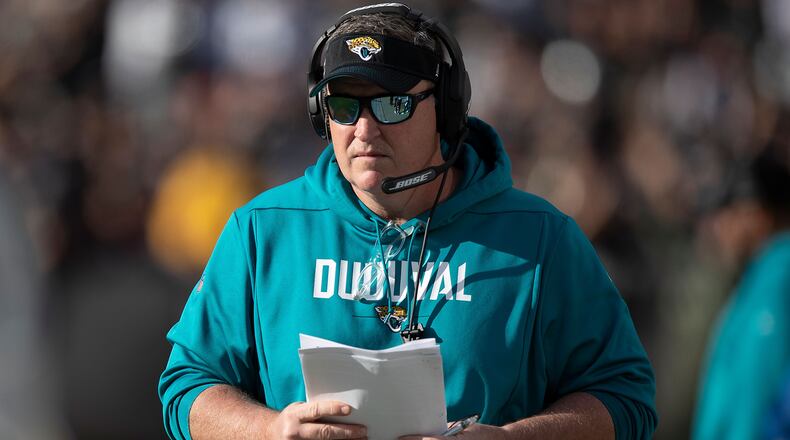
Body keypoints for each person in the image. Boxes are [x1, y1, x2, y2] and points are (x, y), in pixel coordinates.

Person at [159, 3, 657, 439]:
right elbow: (187, 387)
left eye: (393, 104)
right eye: (345, 106)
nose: (364, 130)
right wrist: (267, 431)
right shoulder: (261, 231)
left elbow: (625, 399)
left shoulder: (542, 238)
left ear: (445, 110)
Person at [692, 142, 790, 440]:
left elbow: (754, 389)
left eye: (729, 211)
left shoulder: (779, 275)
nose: (720, 227)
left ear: (757, 213)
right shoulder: (762, 276)